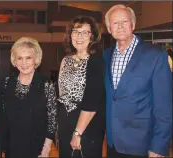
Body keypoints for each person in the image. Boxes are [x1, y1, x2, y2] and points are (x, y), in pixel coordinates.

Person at [104, 4, 172, 158]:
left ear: (133, 25)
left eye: (125, 21)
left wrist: (159, 145)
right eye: (115, 23)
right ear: (109, 28)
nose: (120, 26)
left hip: (143, 145)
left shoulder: (156, 56)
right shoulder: (105, 56)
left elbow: (164, 106)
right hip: (113, 143)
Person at [57, 15, 106, 158]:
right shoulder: (65, 60)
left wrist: (78, 132)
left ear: (92, 37)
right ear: (70, 35)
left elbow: (92, 102)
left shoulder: (96, 62)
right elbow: (61, 94)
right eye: (76, 32)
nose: (80, 36)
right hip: (66, 121)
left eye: (85, 32)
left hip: (86, 125)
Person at [1, 37, 58, 158]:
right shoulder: (6, 83)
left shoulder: (46, 84)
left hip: (37, 148)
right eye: (20, 58)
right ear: (14, 61)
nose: (24, 63)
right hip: (12, 148)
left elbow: (52, 121)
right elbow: (3, 117)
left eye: (28, 58)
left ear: (35, 60)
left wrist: (46, 149)